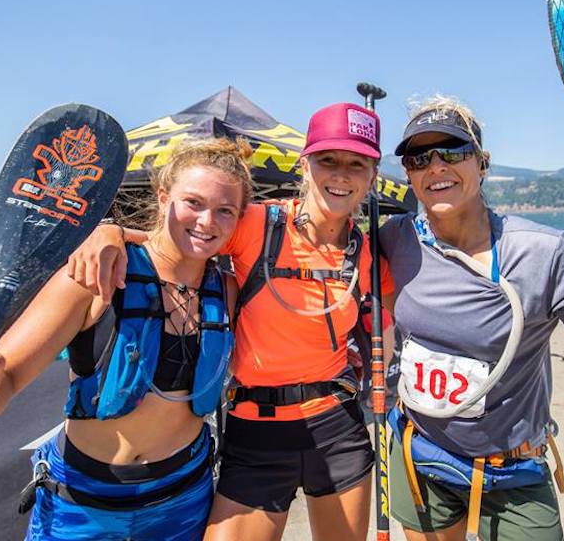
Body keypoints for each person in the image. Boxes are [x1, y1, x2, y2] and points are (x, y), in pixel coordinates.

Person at [68, 102, 396, 541]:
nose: (341, 174)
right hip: (255, 430)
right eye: (328, 160)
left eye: (357, 164)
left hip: (337, 427)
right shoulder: (259, 223)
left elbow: (387, 334)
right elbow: (181, 240)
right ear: (305, 163)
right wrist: (109, 231)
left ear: (371, 175)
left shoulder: (369, 254)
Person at [0, 137, 254, 541]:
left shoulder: (228, 289)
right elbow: (4, 378)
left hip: (185, 499)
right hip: (82, 505)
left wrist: (110, 229)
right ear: (163, 198)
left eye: (225, 211)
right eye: (193, 203)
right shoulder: (96, 277)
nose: (206, 221)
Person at [378, 96, 564, 541]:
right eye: (420, 158)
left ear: (482, 163)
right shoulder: (394, 240)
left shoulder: (543, 252)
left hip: (510, 474)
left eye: (453, 152)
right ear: (409, 174)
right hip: (420, 456)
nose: (436, 166)